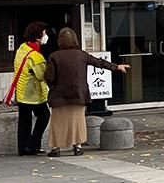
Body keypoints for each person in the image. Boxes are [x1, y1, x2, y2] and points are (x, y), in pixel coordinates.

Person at [44, 28, 128, 157]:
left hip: (59, 95)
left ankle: (56, 148)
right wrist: (116, 67)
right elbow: (99, 63)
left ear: (60, 41)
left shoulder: (54, 56)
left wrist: (51, 84)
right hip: (78, 93)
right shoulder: (81, 55)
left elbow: (49, 77)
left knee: (58, 122)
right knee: (77, 121)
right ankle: (77, 146)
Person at [10, 22, 50, 156]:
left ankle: (23, 148)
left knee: (24, 120)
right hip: (32, 93)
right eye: (44, 33)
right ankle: (33, 145)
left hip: (21, 91)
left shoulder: (22, 49)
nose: (46, 36)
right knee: (44, 115)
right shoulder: (36, 56)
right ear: (38, 37)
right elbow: (42, 75)